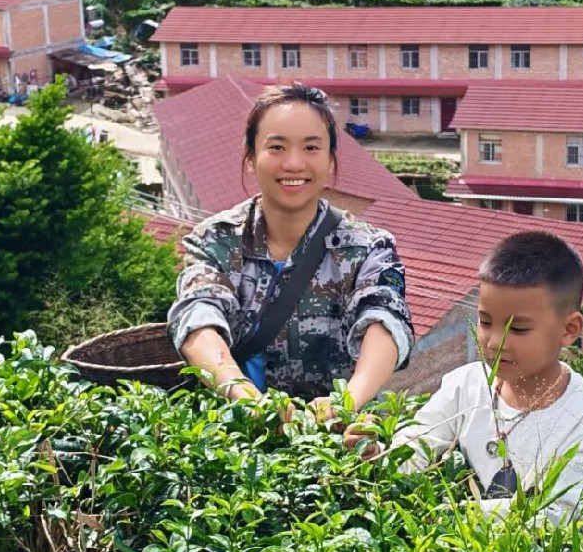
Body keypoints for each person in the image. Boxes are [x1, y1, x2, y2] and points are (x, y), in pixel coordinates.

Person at [346, 231, 583, 525]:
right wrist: (376, 455)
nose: (493, 342)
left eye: (517, 329)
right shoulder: (466, 384)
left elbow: (556, 518)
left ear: (569, 329)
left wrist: (454, 514)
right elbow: (416, 449)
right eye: (485, 321)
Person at [167, 82, 414, 413]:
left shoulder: (367, 248)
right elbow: (197, 314)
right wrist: (243, 396)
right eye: (277, 147)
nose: (294, 163)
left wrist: (347, 401)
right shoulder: (216, 239)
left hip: (335, 439)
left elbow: (385, 316)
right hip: (235, 437)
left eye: (311, 148)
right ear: (252, 157)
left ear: (330, 161)